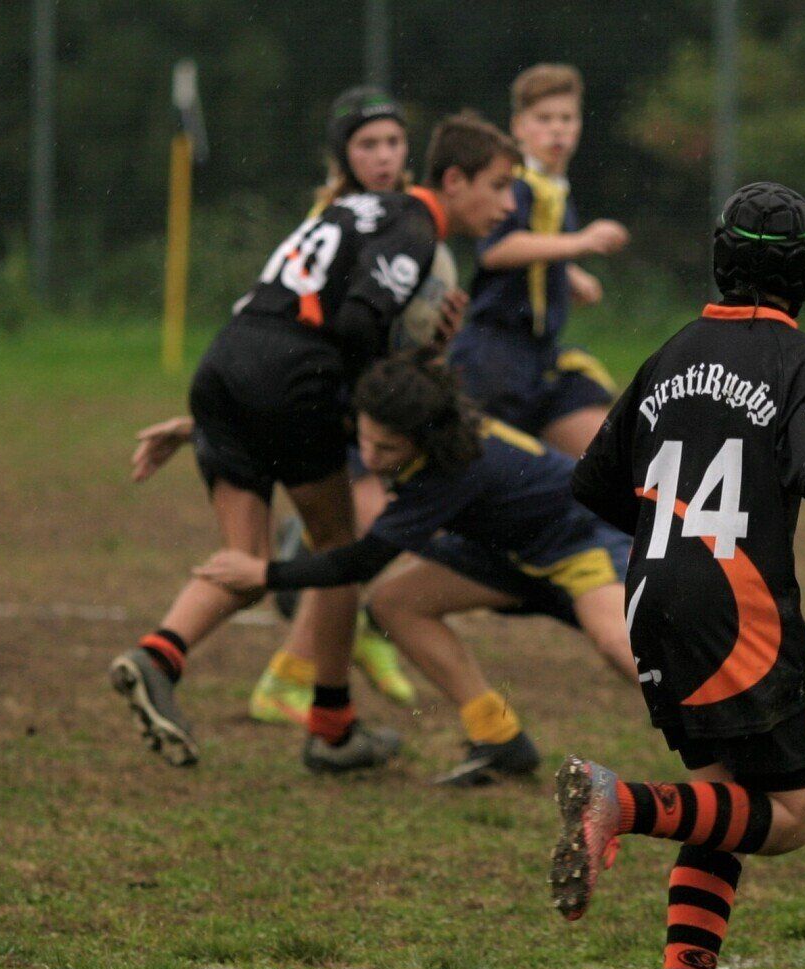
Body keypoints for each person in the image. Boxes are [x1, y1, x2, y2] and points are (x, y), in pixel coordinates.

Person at [550, 183, 805, 969]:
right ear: (802, 276)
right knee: (790, 816)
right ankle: (617, 800)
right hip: (736, 610)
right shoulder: (802, 359)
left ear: (719, 259)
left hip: (649, 591)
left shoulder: (672, 353)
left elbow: (591, 483)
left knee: (724, 803)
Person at [109, 112, 520, 774]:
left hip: (226, 365)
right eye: (499, 186)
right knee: (340, 549)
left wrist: (200, 422)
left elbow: (318, 303)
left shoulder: (355, 209)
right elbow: (359, 321)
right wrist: (380, 411)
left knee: (243, 560)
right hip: (295, 380)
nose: (507, 203)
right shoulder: (412, 229)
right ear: (454, 180)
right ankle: (331, 730)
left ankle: (156, 658)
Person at [194, 358, 637, 786]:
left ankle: (705, 720)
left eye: (386, 449)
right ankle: (498, 737)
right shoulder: (413, 426)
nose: (368, 457)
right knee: (395, 604)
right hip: (503, 551)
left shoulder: (453, 468)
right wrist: (207, 429)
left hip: (579, 539)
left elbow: (362, 561)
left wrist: (264, 572)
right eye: (364, 441)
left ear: (424, 439)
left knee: (619, 644)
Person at [243, 85, 419, 730]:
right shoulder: (338, 220)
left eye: (393, 142)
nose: (383, 155)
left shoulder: (410, 216)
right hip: (334, 401)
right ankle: (291, 676)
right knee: (365, 533)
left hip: (376, 398)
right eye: (367, 144)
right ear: (344, 156)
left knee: (372, 535)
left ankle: (352, 632)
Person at [449, 63, 628, 457]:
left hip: (541, 356)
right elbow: (498, 249)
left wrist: (568, 274)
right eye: (544, 119)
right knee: (488, 481)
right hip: (494, 357)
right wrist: (579, 244)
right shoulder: (516, 185)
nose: (557, 129)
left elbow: (539, 248)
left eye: (567, 118)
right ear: (518, 126)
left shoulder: (554, 188)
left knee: (607, 463)